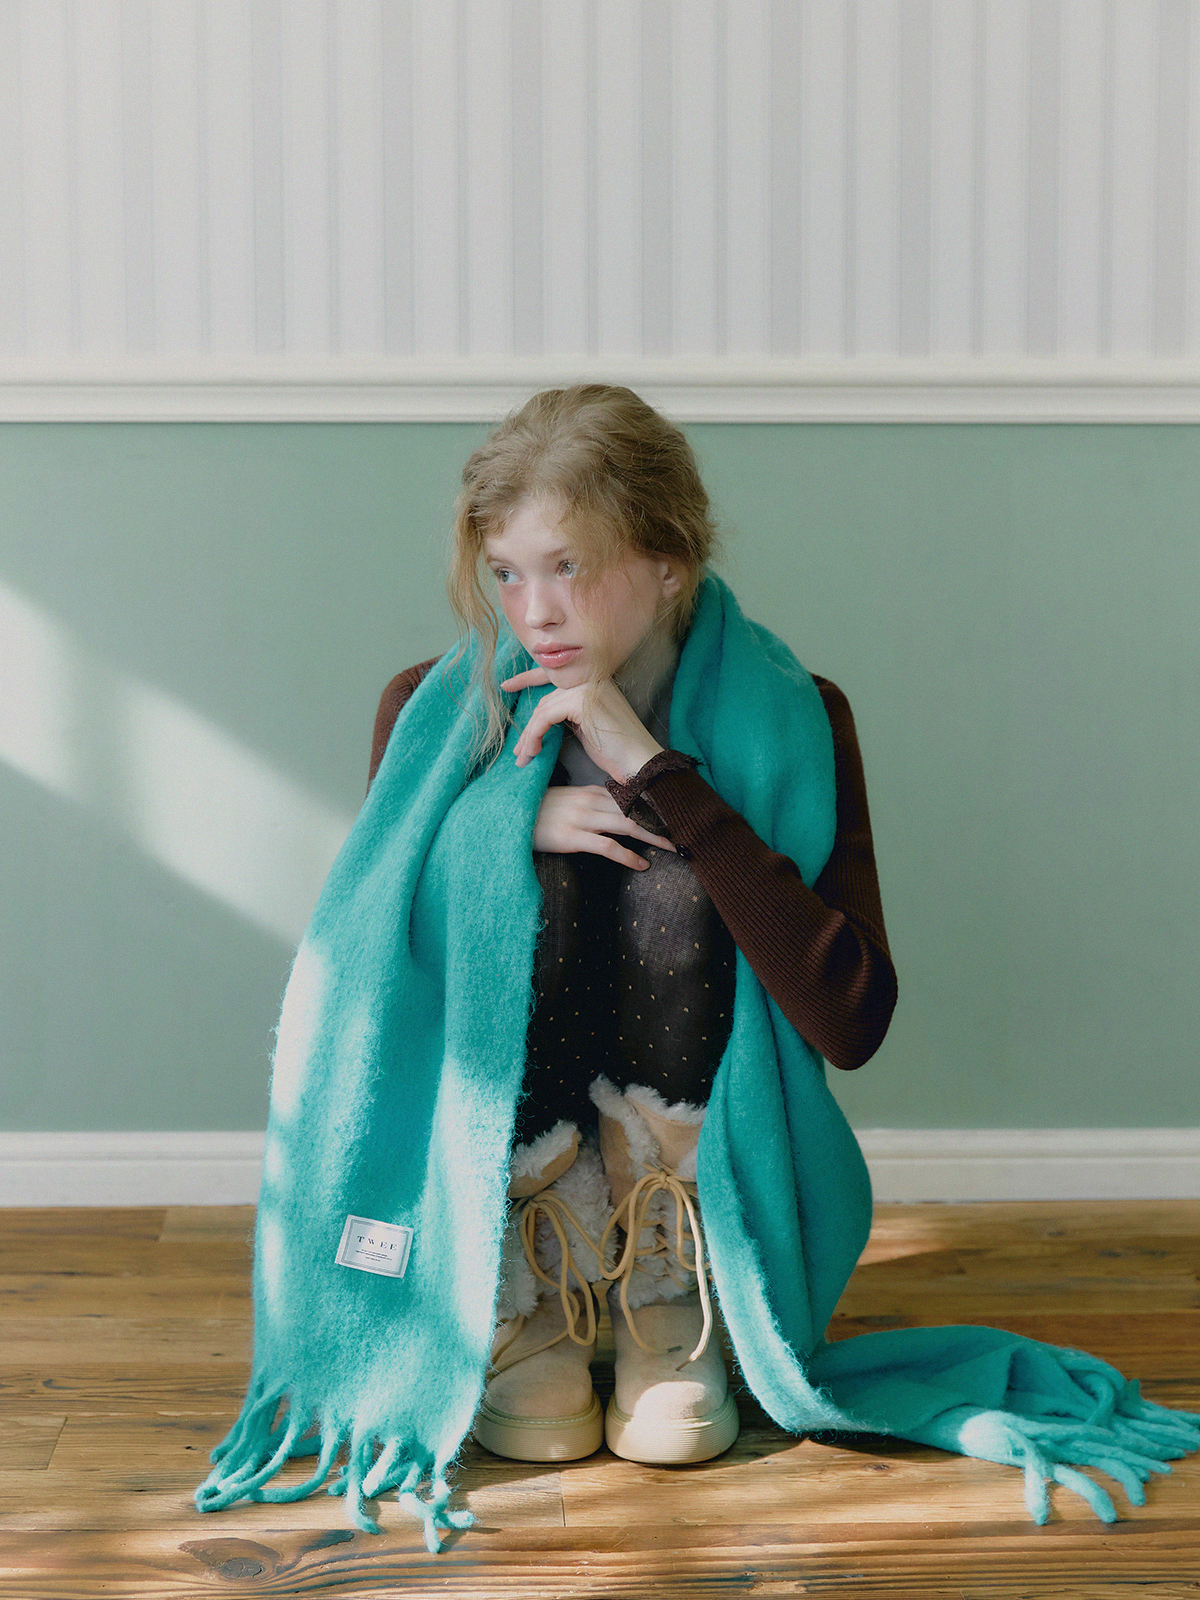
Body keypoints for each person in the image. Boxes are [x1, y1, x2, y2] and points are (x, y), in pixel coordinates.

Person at [365, 383, 897, 1467]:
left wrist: (659, 777)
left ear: (668, 563)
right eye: (507, 572)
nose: (534, 612)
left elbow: (851, 1019)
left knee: (678, 885)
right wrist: (496, 830)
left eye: (568, 565)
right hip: (500, 1184)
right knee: (539, 879)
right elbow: (368, 977)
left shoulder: (802, 715)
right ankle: (535, 1276)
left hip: (701, 1206)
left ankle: (666, 1284)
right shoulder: (435, 716)